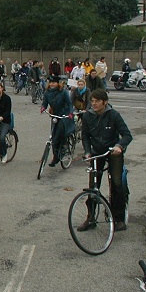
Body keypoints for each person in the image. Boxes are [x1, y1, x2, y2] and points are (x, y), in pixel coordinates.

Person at [80, 89, 132, 231]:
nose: (94, 104)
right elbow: (85, 136)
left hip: (113, 152)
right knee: (93, 185)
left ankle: (118, 218)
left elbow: (127, 135)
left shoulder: (114, 115)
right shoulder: (87, 116)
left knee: (116, 183)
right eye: (92, 101)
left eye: (97, 101)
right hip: (97, 152)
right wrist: (87, 152)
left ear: (105, 102)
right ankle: (91, 218)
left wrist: (119, 146)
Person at [40, 75, 74, 167]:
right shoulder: (47, 92)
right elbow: (45, 103)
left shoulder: (63, 92)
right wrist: (43, 108)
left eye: (54, 83)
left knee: (58, 135)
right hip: (54, 116)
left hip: (64, 115)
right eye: (50, 82)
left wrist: (70, 113)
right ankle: (56, 156)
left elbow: (70, 103)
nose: (52, 84)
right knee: (53, 136)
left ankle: (64, 148)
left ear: (57, 83)